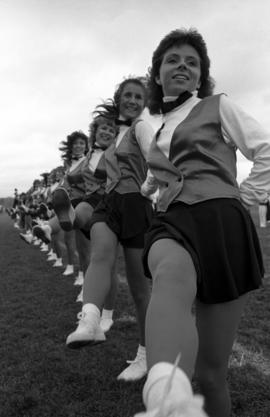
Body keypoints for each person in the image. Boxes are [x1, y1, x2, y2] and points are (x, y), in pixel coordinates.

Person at [136, 28, 269, 417]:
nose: (183, 66)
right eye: (173, 60)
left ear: (200, 76)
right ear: (157, 75)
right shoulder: (158, 129)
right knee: (170, 275)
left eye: (192, 62)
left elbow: (264, 151)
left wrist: (242, 199)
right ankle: (166, 395)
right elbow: (151, 179)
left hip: (222, 224)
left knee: (211, 375)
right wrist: (150, 189)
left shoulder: (217, 106)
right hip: (173, 222)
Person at [66, 77, 155, 381]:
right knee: (99, 256)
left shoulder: (142, 127)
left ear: (145, 102)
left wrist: (151, 188)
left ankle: (145, 355)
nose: (132, 100)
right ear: (119, 99)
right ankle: (90, 320)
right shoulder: (112, 132)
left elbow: (157, 158)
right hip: (110, 202)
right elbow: (93, 169)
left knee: (140, 289)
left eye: (138, 96)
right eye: (127, 95)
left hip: (136, 204)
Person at [50, 114, 120, 329]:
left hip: (113, 203)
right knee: (98, 255)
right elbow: (73, 177)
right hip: (92, 203)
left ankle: (107, 314)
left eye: (111, 129)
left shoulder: (117, 150)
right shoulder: (89, 156)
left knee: (110, 262)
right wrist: (61, 184)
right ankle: (68, 218)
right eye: (103, 128)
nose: (107, 132)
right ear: (95, 132)